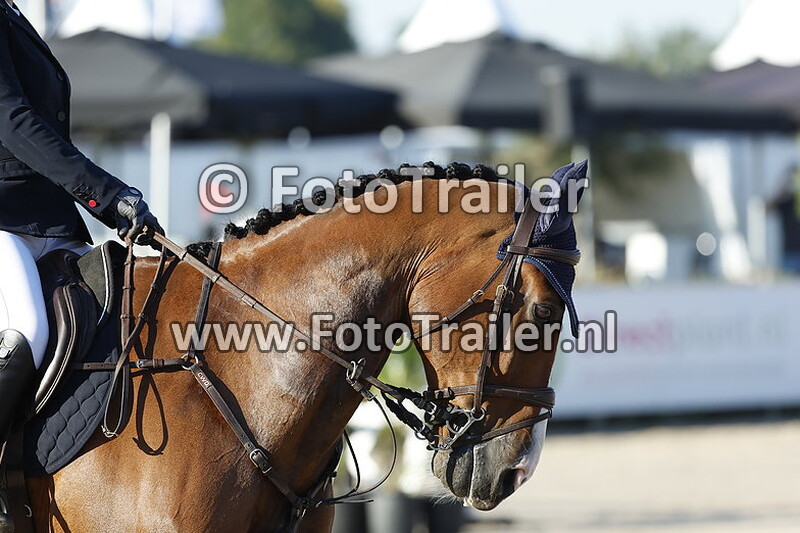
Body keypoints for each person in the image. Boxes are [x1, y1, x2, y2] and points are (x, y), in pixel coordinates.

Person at [0, 2, 161, 528]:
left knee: (128, 306)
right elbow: (11, 119)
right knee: (26, 330)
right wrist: (107, 195)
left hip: (45, 221)